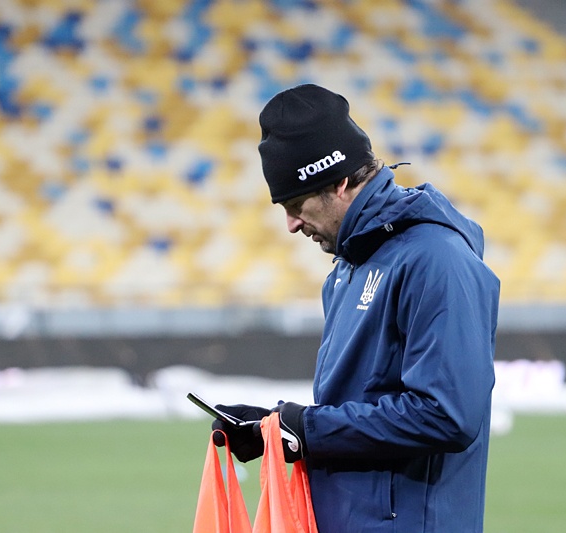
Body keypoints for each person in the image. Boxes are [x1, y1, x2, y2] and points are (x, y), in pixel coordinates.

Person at [212, 84, 500, 532]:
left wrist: (305, 428)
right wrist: (276, 430)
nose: (291, 225)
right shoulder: (347, 268)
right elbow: (359, 410)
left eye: (296, 204)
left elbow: (446, 415)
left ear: (339, 182)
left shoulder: (436, 259)